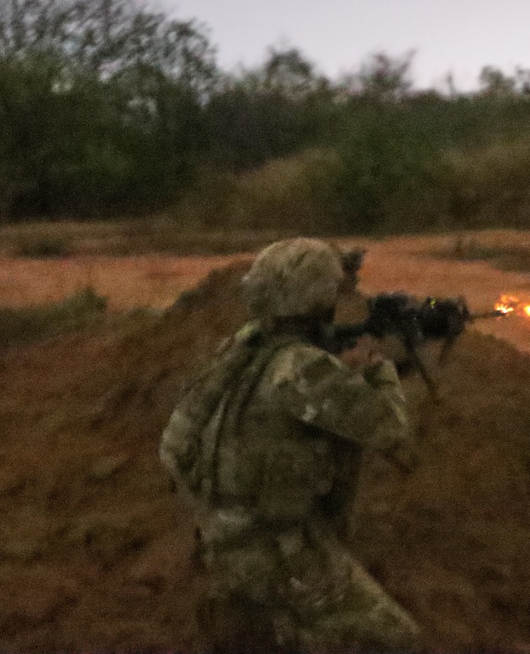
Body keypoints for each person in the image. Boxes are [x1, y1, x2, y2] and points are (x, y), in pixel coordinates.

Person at [159, 237, 421, 652]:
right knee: (396, 640)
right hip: (277, 552)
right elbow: (391, 430)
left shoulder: (240, 348)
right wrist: (380, 367)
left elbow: (175, 449)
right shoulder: (300, 368)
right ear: (319, 299)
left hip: (219, 540)